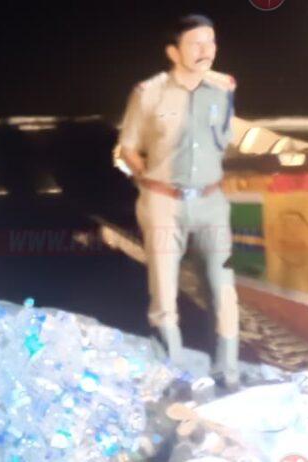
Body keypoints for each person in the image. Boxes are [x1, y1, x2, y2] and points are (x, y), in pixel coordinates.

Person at [117, 14, 240, 388]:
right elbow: (128, 147)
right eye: (196, 43)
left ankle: (228, 370)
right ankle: (174, 372)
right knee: (164, 292)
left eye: (211, 42)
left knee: (224, 287)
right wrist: (149, 180)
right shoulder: (148, 93)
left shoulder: (223, 89)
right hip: (163, 203)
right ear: (173, 52)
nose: (206, 50)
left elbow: (224, 139)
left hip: (212, 202)